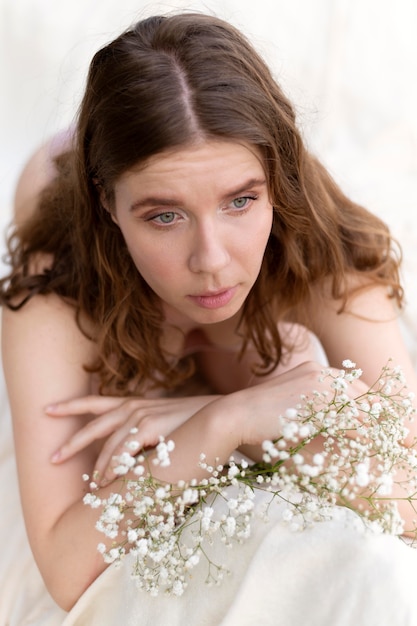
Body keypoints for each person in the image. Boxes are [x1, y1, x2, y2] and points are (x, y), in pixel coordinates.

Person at [2, 12, 417, 626]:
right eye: (164, 216)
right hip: (59, 177)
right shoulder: (57, 289)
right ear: (107, 204)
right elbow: (66, 568)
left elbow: (409, 494)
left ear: (278, 183)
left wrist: (207, 417)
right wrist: (225, 421)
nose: (213, 262)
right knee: (50, 170)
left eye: (241, 201)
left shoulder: (329, 264)